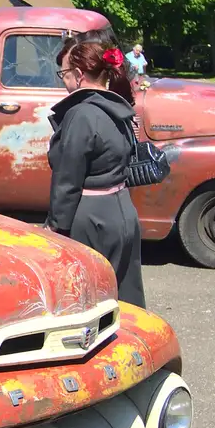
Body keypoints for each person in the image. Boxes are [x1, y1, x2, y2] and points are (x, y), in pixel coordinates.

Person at [44, 33, 146, 308]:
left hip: (91, 219)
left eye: (63, 73)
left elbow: (68, 180)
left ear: (78, 75)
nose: (62, 80)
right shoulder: (118, 106)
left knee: (89, 300)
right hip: (122, 210)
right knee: (125, 295)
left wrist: (55, 227)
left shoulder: (82, 114)